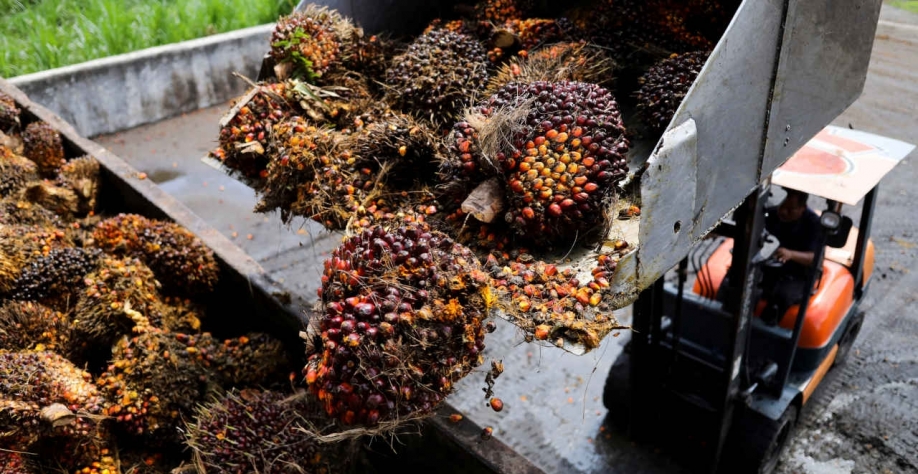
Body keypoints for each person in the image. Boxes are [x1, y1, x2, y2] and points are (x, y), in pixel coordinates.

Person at [760, 188, 822, 324]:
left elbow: (814, 258)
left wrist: (790, 254)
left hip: (798, 274)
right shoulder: (772, 214)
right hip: (770, 266)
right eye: (782, 206)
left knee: (781, 296)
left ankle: (767, 327)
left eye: (790, 209)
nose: (783, 212)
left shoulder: (814, 225)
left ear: (803, 208)